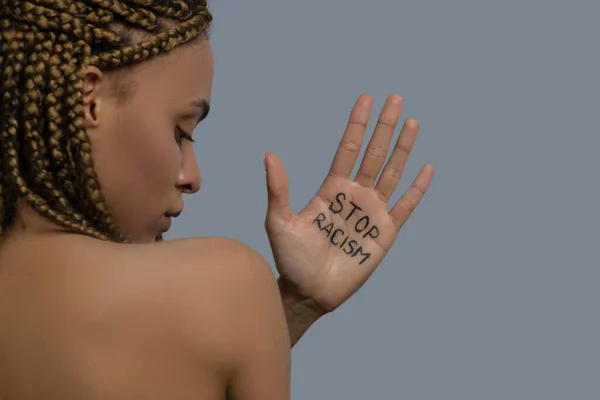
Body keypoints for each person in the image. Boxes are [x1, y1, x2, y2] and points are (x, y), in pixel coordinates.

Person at [0, 0, 435, 398]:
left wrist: (290, 308)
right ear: (89, 98)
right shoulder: (228, 283)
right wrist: (252, 309)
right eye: (182, 132)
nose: (192, 177)